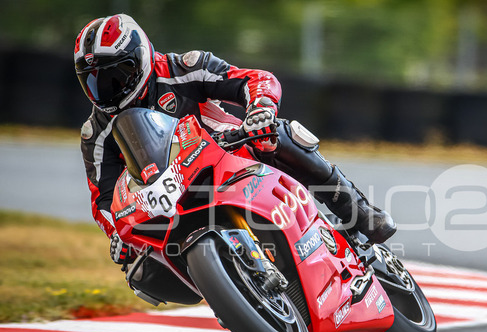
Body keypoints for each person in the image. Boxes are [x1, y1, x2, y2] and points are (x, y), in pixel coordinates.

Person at [74, 14, 396, 297]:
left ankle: (357, 210)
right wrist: (117, 234)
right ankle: (232, 296)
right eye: (95, 81)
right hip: (168, 201)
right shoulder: (96, 134)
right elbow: (104, 200)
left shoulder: (181, 69)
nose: (108, 89)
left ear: (141, 57)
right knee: (139, 269)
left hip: (229, 155)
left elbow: (253, 80)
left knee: (277, 136)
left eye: (116, 75)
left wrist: (260, 109)